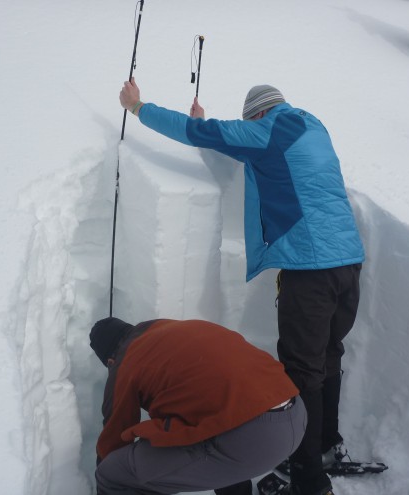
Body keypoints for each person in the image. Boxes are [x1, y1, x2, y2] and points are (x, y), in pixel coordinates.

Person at [118, 80, 365, 495]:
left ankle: (307, 478)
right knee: (326, 356)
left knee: (301, 372)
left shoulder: (268, 129)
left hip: (311, 267)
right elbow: (244, 148)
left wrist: (138, 106)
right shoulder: (311, 125)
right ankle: (324, 445)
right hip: (348, 264)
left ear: (256, 115)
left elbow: (204, 133)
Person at [90, 317, 306, 495]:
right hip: (296, 414)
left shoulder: (124, 364)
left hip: (252, 440)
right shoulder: (170, 330)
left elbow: (113, 438)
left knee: (113, 474)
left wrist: (108, 467)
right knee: (209, 426)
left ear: (110, 361)